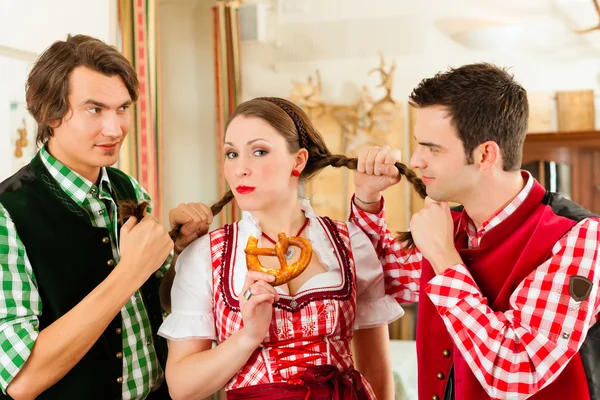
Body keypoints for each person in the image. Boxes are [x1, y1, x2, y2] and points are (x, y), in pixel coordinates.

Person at [350, 63, 600, 400]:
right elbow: (380, 286)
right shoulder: (445, 225)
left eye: (432, 148)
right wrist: (367, 199)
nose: (415, 160)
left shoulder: (580, 237)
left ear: (485, 154)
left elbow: (516, 369)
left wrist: (444, 257)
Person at [0, 34, 211, 399]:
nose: (115, 129)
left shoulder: (128, 187)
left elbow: (161, 299)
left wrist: (182, 254)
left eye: (122, 109)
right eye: (95, 110)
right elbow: (21, 381)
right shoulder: (8, 213)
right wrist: (128, 274)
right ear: (50, 114)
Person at [158, 97, 404, 400]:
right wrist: (247, 337)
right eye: (231, 154)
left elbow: (375, 371)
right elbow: (182, 387)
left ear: (297, 161)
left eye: (259, 152)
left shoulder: (350, 242)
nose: (240, 169)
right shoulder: (204, 255)